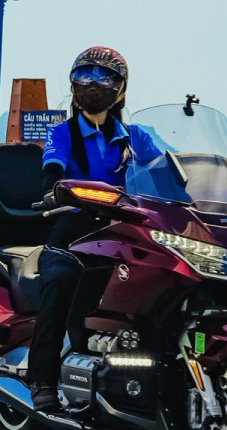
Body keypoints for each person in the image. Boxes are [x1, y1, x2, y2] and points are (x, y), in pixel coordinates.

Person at [25, 45, 162, 408]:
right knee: (59, 283)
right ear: (72, 84)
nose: (94, 83)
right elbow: (51, 174)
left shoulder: (138, 138)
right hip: (72, 232)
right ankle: (42, 381)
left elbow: (167, 174)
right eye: (85, 74)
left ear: (120, 89)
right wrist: (56, 192)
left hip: (126, 233)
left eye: (105, 76)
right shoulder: (62, 134)